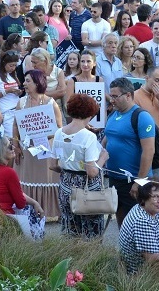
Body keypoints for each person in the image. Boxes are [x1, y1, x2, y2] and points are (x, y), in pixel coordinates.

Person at [50, 93, 108, 238]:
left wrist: (68, 168)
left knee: (71, 230)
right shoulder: (88, 136)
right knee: (91, 231)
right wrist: (103, 158)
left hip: (65, 186)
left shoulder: (59, 133)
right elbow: (92, 172)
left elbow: (53, 165)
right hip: (86, 188)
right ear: (90, 114)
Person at [104, 77, 156, 227]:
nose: (111, 100)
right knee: (121, 220)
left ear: (128, 95)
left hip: (134, 181)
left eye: (115, 96)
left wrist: (139, 181)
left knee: (139, 224)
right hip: (115, 179)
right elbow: (107, 138)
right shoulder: (114, 114)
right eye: (111, 96)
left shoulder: (142, 117)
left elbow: (149, 151)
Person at [12, 69, 63, 220]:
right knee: (27, 178)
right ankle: (28, 211)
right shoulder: (21, 102)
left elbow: (59, 127)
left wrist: (43, 135)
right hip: (26, 148)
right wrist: (16, 145)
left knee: (46, 179)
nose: (24, 84)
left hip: (45, 148)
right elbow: (15, 125)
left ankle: (49, 212)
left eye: (28, 81)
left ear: (37, 83)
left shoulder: (50, 102)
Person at [0, 133, 44, 237]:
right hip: (1, 219)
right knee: (30, 211)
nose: (13, 147)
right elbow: (21, 203)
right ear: (0, 152)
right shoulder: (9, 173)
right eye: (9, 146)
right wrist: (34, 204)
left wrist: (34, 202)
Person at [118, 180, 159, 275]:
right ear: (144, 198)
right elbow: (153, 258)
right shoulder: (141, 221)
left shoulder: (147, 210)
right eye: (155, 197)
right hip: (142, 273)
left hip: (156, 261)